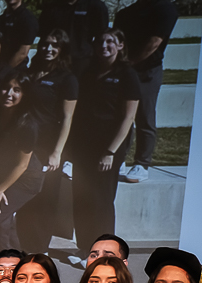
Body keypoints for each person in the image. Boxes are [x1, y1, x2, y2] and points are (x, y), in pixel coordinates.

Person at [70, 30, 139, 251]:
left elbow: (129, 117)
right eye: (100, 41)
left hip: (108, 148)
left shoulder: (127, 74)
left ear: (120, 45)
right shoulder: (88, 71)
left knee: (101, 200)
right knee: (81, 197)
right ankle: (84, 249)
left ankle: (105, 250)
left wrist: (110, 152)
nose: (104, 45)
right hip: (84, 146)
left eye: (110, 41)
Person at [13, 30, 79, 254]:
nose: (48, 49)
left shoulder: (66, 78)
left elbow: (68, 117)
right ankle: (23, 245)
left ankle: (39, 249)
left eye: (54, 45)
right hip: (24, 143)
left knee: (45, 197)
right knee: (24, 195)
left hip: (48, 145)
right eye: (45, 44)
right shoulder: (32, 73)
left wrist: (57, 152)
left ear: (61, 49)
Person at [0, 72, 43, 255]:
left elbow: (22, 165)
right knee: (2, 221)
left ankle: (2, 273)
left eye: (17, 90)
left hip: (26, 179)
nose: (8, 93)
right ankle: (16, 264)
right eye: (6, 88)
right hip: (3, 174)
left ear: (24, 95)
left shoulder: (28, 124)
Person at [114, 0, 180, 185]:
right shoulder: (126, 13)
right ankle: (119, 157)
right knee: (121, 115)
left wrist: (132, 61)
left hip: (147, 71)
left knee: (144, 116)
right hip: (126, 68)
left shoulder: (165, 9)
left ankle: (142, 164)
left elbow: (155, 42)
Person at [38, 0, 108, 77]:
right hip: (56, 58)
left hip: (83, 60)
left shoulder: (96, 6)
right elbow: (44, 35)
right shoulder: (51, 7)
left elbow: (102, 36)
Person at [0, 0, 39, 68]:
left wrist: (4, 72)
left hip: (15, 69)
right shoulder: (1, 19)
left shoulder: (28, 19)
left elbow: (23, 52)